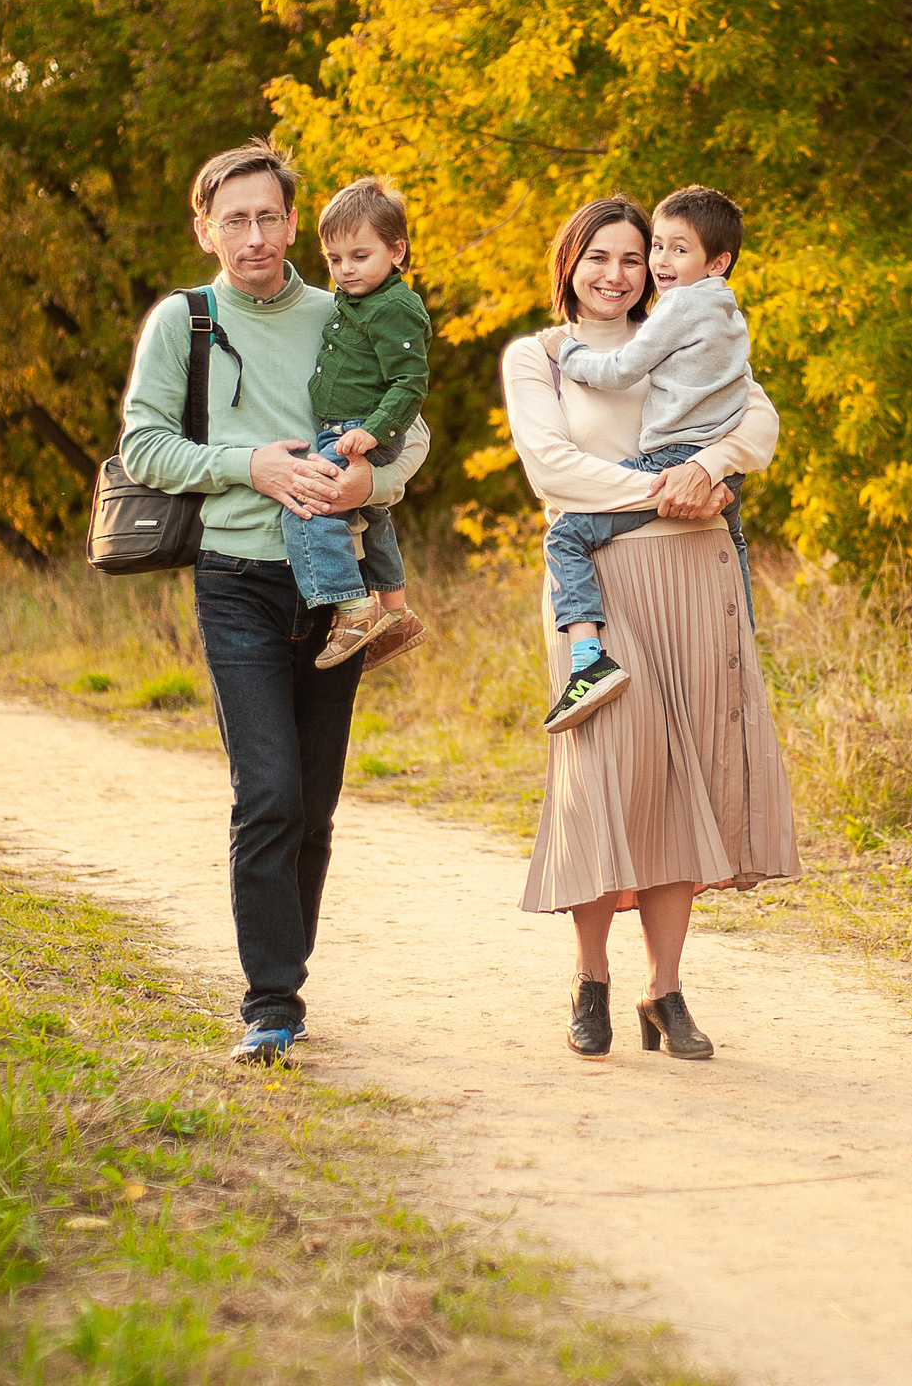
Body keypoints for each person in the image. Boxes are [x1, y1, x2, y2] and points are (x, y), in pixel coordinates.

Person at [118, 138, 431, 1068]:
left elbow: (409, 438)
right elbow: (144, 449)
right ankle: (271, 1005)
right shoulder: (186, 323)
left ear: (295, 223)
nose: (254, 236)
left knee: (318, 803)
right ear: (205, 227)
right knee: (269, 793)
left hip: (335, 596)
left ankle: (288, 976)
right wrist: (247, 464)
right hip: (238, 582)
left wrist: (363, 490)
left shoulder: (350, 307)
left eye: (269, 217)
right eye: (235, 219)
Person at [501, 194, 799, 1061]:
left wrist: (707, 466)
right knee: (608, 777)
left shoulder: (681, 334)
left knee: (687, 784)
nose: (616, 273)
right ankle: (591, 976)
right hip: (595, 583)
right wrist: (667, 489)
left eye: (632, 259)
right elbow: (551, 466)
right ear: (571, 264)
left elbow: (758, 420)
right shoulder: (544, 356)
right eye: (599, 257)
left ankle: (664, 991)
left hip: (695, 577)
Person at [536, 184, 753, 733]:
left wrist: (569, 353)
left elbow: (619, 371)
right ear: (569, 262)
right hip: (698, 481)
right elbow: (550, 469)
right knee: (739, 544)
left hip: (676, 467)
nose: (655, 263)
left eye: (671, 250)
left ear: (717, 261)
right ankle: (746, 644)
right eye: (657, 247)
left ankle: (589, 663)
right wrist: (706, 478)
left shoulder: (676, 312)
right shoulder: (726, 310)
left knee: (565, 537)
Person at [283, 176, 432, 670]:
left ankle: (351, 608)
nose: (345, 270)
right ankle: (396, 611)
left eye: (359, 257)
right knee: (371, 518)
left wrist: (376, 431)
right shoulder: (356, 300)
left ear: (397, 251)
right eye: (334, 259)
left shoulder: (394, 307)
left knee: (308, 505)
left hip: (362, 429)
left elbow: (410, 382)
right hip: (344, 426)